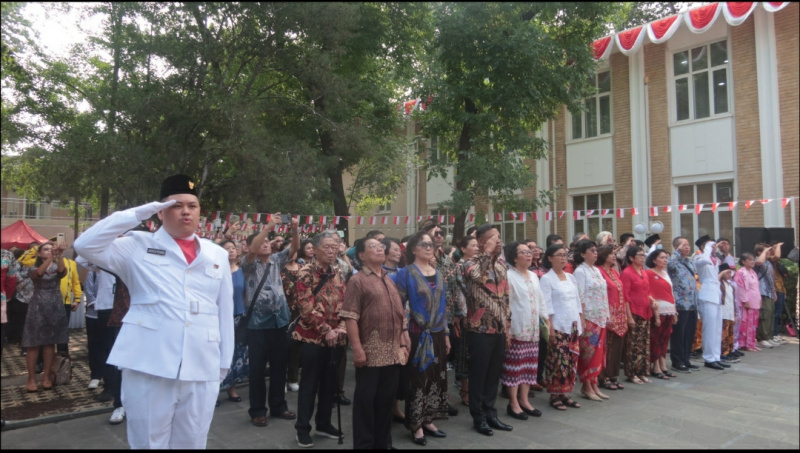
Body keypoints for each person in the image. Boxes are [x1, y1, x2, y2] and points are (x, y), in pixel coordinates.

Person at [73, 174, 234, 449]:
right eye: (176, 204)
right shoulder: (137, 245)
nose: (186, 211)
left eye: (192, 205)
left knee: (193, 441)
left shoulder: (216, 253)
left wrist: (223, 363)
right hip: (149, 362)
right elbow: (85, 246)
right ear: (160, 211)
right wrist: (138, 212)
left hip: (201, 362)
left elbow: (223, 310)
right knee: (149, 441)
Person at [341, 236, 409, 449]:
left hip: (392, 352)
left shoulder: (388, 278)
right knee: (365, 404)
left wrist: (403, 340)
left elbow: (398, 313)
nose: (380, 249)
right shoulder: (358, 280)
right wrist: (358, 349)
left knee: (385, 402)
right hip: (370, 353)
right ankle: (364, 444)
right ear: (362, 255)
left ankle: (383, 443)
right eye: (373, 247)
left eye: (381, 246)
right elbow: (350, 316)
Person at [393, 232, 450, 446]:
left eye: (431, 244)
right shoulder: (405, 273)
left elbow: (445, 307)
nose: (428, 247)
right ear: (413, 249)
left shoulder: (439, 273)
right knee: (416, 379)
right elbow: (399, 307)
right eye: (423, 244)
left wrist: (445, 334)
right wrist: (403, 333)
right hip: (416, 334)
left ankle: (428, 419)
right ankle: (415, 424)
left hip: (436, 333)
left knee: (436, 377)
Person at [242, 213, 299, 427]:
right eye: (261, 242)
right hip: (257, 325)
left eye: (268, 241)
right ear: (250, 247)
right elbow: (255, 247)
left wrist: (294, 230)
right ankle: (257, 410)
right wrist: (267, 228)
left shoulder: (276, 260)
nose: (265, 244)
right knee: (256, 370)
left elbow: (293, 249)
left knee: (279, 367)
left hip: (280, 322)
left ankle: (278, 406)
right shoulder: (247, 263)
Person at [293, 231, 347, 448]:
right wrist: (327, 329)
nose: (332, 250)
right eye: (327, 246)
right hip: (313, 338)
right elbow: (305, 307)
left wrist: (342, 326)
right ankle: (302, 428)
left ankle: (324, 423)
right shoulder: (305, 272)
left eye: (335, 246)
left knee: (329, 385)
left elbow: (345, 300)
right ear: (314, 249)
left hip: (337, 338)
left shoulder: (338, 271)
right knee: (309, 385)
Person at [463, 224, 513, 435]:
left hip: (499, 329)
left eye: (499, 237)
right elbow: (474, 276)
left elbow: (505, 298)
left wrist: (507, 326)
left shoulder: (501, 266)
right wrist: (486, 253)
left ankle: (491, 413)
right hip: (480, 329)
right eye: (493, 238)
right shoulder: (469, 263)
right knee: (479, 374)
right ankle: (478, 416)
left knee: (494, 374)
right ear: (482, 241)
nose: (498, 241)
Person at [502, 241, 550, 420]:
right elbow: (506, 305)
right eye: (523, 252)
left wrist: (546, 320)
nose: (529, 254)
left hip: (533, 329)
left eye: (529, 251)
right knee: (515, 367)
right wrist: (507, 329)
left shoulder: (533, 276)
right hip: (517, 329)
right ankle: (513, 402)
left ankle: (524, 400)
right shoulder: (508, 276)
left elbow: (540, 300)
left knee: (529, 366)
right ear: (514, 257)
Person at [539, 243, 582, 411]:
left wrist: (581, 321)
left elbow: (577, 302)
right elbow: (547, 306)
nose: (563, 258)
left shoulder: (571, 277)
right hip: (557, 326)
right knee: (557, 361)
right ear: (550, 258)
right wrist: (549, 328)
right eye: (559, 255)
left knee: (571, 361)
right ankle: (555, 395)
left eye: (565, 255)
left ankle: (566, 393)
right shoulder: (547, 279)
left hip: (572, 325)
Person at [21, 241, 67, 392]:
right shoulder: (32, 267)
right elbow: (38, 274)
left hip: (55, 305)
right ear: (39, 254)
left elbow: (61, 272)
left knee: (49, 343)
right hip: (38, 306)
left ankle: (46, 376)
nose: (49, 251)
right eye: (45, 250)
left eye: (50, 249)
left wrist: (59, 255)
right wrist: (50, 258)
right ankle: (31, 378)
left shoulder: (56, 265)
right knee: (33, 343)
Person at [573, 240, 610, 401]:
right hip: (589, 316)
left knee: (599, 353)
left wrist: (607, 314)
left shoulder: (596, 270)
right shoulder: (580, 272)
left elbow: (604, 294)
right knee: (589, 353)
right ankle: (586, 386)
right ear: (582, 254)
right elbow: (579, 296)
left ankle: (594, 384)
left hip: (600, 317)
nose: (595, 253)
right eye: (591, 250)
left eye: (596, 250)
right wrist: (581, 318)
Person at [621, 246, 657, 384]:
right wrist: (629, 316)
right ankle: (632, 373)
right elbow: (626, 296)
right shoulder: (627, 273)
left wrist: (652, 300)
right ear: (631, 258)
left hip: (645, 312)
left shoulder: (643, 272)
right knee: (633, 345)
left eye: (643, 255)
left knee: (644, 344)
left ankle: (641, 371)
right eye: (639, 255)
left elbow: (647, 291)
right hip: (634, 312)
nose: (643, 257)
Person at [219, 240, 249, 404]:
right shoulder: (216, 270)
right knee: (217, 353)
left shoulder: (242, 272)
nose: (230, 251)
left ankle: (232, 388)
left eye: (233, 248)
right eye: (226, 248)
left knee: (238, 353)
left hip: (238, 316)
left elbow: (245, 294)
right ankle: (215, 389)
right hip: (219, 317)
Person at [694, 235, 727, 370]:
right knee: (709, 329)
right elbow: (704, 261)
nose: (714, 247)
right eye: (710, 245)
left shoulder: (716, 260)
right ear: (703, 247)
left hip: (716, 295)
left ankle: (716, 357)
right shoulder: (698, 257)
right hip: (706, 295)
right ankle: (708, 358)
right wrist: (708, 247)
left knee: (717, 328)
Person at [667, 237, 700, 373]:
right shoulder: (673, 261)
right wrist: (677, 252)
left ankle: (686, 359)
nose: (687, 247)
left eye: (688, 244)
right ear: (676, 247)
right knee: (679, 334)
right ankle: (677, 361)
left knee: (689, 333)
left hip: (692, 303)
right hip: (681, 303)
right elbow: (670, 266)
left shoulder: (690, 261)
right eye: (683, 245)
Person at [453, 235, 479, 406]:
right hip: (466, 314)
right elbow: (457, 291)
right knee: (464, 352)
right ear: (463, 249)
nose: (476, 248)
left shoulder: (479, 265)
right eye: (473, 245)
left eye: (478, 245)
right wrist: (461, 313)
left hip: (480, 313)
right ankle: (465, 389)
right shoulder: (459, 267)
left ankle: (475, 388)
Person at [597, 245, 627, 391]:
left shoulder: (615, 271)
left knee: (617, 346)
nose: (614, 256)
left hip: (620, 313)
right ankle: (603, 376)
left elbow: (623, 292)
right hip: (607, 313)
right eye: (610, 254)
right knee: (606, 346)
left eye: (614, 254)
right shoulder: (599, 272)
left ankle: (614, 374)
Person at [646, 249, 677, 379]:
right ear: (654, 260)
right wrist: (656, 312)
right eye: (662, 258)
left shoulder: (665, 273)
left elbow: (671, 292)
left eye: (666, 258)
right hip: (658, 309)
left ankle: (663, 364)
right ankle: (655, 366)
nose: (665, 260)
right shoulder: (648, 273)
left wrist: (675, 311)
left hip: (669, 309)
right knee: (656, 337)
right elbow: (648, 292)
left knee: (665, 338)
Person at [283, 240, 309, 393]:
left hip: (299, 312)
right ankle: (281, 379)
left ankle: (293, 378)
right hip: (282, 311)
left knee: (296, 347)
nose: (291, 254)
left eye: (293, 250)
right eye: (287, 251)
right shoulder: (278, 269)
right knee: (281, 348)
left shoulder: (303, 268)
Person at [734, 253, 761, 352]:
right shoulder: (741, 272)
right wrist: (745, 300)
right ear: (743, 261)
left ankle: (752, 343)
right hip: (747, 301)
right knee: (746, 324)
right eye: (749, 260)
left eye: (753, 259)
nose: (752, 261)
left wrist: (759, 299)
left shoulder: (753, 272)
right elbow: (740, 288)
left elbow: (757, 287)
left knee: (754, 323)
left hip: (755, 300)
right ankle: (745, 344)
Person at [768, 244, 788, 345]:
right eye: (774, 248)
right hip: (775, 289)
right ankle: (774, 333)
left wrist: (784, 291)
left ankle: (775, 333)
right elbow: (777, 256)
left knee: (778, 313)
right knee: (775, 313)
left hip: (781, 289)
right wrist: (779, 245)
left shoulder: (777, 263)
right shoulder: (770, 258)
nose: (777, 250)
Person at [719, 263, 739, 363]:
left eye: (730, 272)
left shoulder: (730, 285)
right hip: (723, 313)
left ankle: (729, 351)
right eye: (727, 272)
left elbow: (734, 301)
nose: (729, 274)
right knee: (723, 334)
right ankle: (723, 353)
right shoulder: (719, 283)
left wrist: (735, 314)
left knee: (730, 333)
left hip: (730, 313)